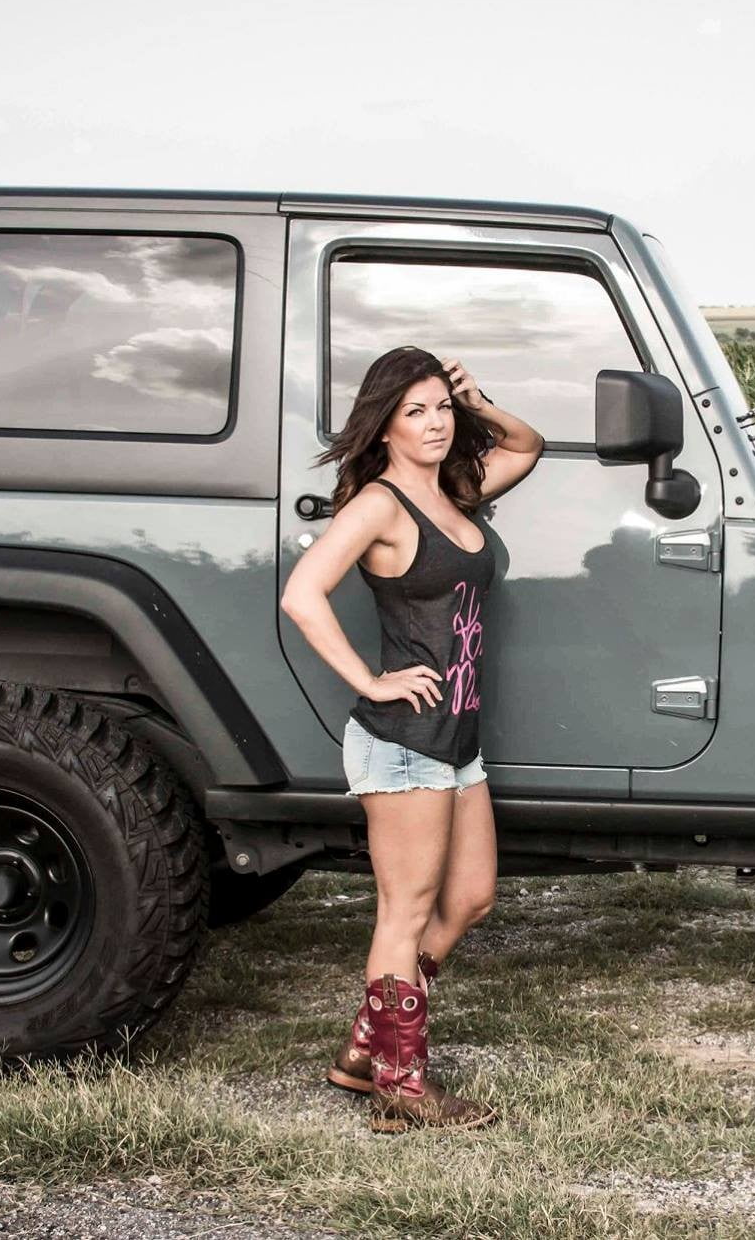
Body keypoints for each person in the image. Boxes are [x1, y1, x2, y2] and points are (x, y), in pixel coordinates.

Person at [279, 346, 544, 1132]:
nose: (434, 423)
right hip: (402, 739)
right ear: (385, 426)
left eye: (441, 407)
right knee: (405, 910)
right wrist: (369, 678)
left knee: (470, 897)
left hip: (456, 737)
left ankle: (368, 1045)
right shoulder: (381, 504)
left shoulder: (456, 490)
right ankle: (400, 1080)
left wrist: (478, 396)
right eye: (415, 410)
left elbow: (526, 447)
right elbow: (303, 591)